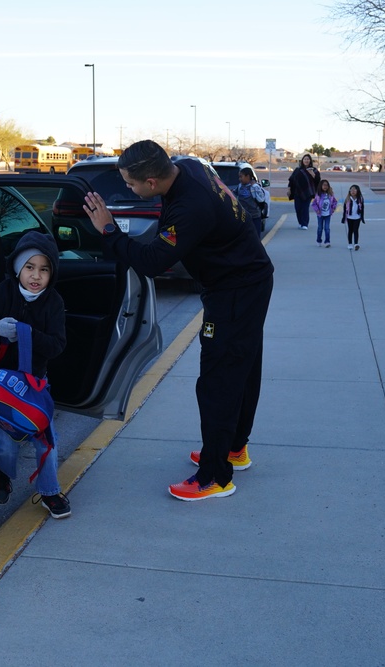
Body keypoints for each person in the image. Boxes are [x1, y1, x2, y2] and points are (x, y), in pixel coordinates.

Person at [82, 140, 274, 501]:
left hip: (234, 290)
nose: (128, 188)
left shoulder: (191, 206)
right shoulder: (189, 166)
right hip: (248, 278)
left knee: (218, 381)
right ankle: (233, 448)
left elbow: (153, 262)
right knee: (243, 368)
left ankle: (215, 476)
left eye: (131, 184)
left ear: (152, 181)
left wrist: (109, 230)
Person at [0, 231, 70, 518]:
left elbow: (57, 345)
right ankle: (2, 473)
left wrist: (30, 335)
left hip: (36, 384)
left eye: (44, 269)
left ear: (52, 273)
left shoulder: (53, 302)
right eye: (29, 267)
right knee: (5, 441)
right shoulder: (2, 293)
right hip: (2, 385)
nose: (35, 276)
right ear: (17, 268)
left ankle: (50, 490)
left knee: (45, 440)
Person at [286, 153, 320, 229]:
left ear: (310, 161)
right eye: (305, 159)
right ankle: (300, 222)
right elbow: (291, 180)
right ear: (302, 161)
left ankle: (305, 224)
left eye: (308, 159)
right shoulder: (298, 170)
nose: (306, 160)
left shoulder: (314, 170)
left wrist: (312, 174)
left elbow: (318, 180)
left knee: (305, 207)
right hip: (297, 192)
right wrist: (289, 189)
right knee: (298, 208)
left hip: (308, 192)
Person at [233, 166, 268, 235]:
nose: (239, 179)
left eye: (241, 177)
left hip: (254, 215)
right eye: (239, 177)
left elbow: (261, 199)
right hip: (243, 215)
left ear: (247, 176)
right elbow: (234, 194)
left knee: (255, 235)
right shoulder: (240, 186)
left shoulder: (255, 187)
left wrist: (255, 187)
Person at [311, 179, 337, 248]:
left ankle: (327, 241)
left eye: (327, 185)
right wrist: (317, 210)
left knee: (327, 228)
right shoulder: (318, 195)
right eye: (324, 185)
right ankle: (319, 240)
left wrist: (333, 208)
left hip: (328, 214)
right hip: (320, 215)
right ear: (321, 186)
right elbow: (314, 204)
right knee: (320, 228)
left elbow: (335, 201)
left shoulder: (330, 194)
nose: (325, 186)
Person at [341, 184, 365, 250]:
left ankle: (356, 244)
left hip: (357, 217)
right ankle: (350, 243)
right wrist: (344, 218)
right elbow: (344, 209)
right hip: (349, 217)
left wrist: (362, 218)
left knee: (356, 230)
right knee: (350, 230)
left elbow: (362, 208)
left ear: (358, 191)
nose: (353, 191)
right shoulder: (348, 199)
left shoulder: (360, 199)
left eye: (354, 190)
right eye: (351, 190)